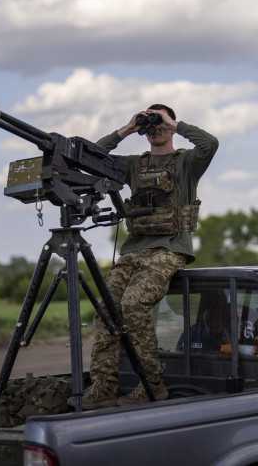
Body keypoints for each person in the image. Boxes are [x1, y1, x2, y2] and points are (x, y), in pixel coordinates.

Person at [70, 103, 218, 409]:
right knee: (105, 310)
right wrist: (127, 129)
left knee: (133, 304)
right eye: (150, 124)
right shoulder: (135, 165)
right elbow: (91, 160)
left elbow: (210, 143)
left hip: (168, 249)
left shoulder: (187, 162)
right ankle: (105, 385)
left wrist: (173, 124)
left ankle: (152, 383)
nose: (155, 129)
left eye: (159, 122)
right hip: (133, 252)